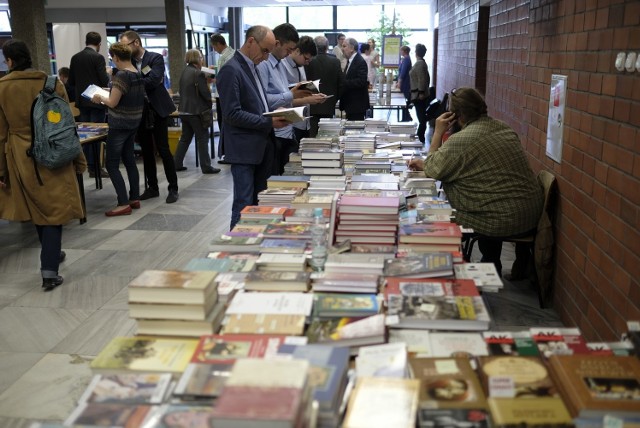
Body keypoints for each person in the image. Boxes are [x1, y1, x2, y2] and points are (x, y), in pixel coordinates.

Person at [409, 87, 543, 275]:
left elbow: (432, 169)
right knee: (485, 194)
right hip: (529, 213)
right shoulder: (503, 127)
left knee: (434, 215)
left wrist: (438, 132)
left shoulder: (461, 140)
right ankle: (492, 261)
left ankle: (460, 266)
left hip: (501, 218)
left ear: (455, 116)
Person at [0, 39, 86, 291]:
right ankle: (49, 269)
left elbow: (0, 134)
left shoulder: (1, 89)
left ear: (9, 61)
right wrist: (79, 160)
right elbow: (69, 126)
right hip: (54, 152)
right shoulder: (51, 83)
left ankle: (52, 254)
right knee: (54, 208)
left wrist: (1, 170)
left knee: (39, 205)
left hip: (20, 155)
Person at [216, 25, 289, 229]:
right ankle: (235, 252)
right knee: (243, 204)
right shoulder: (231, 69)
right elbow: (232, 114)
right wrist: (268, 121)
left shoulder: (252, 67)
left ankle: (253, 246)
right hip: (243, 149)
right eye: (265, 50)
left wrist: (275, 112)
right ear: (250, 42)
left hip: (261, 145)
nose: (266, 57)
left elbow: (257, 105)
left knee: (258, 203)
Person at [120, 30, 179, 204]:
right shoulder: (127, 61)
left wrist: (132, 82)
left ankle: (173, 188)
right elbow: (123, 80)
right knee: (146, 151)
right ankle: (152, 187)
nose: (124, 49)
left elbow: (154, 80)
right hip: (140, 111)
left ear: (136, 43)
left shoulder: (154, 58)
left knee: (163, 149)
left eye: (126, 45)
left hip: (158, 110)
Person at [90, 42, 144, 217]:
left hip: (119, 124)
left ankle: (122, 203)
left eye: (112, 58)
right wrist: (110, 91)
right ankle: (134, 197)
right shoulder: (137, 72)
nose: (112, 61)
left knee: (111, 164)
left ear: (116, 58)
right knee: (129, 160)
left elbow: (113, 102)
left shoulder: (121, 75)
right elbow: (124, 93)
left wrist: (100, 98)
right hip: (133, 122)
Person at [257, 24, 320, 175]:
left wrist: (295, 94)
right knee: (275, 177)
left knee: (287, 174)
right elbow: (263, 101)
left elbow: (284, 95)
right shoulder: (265, 65)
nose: (289, 54)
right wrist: (292, 95)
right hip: (275, 131)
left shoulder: (278, 64)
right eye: (289, 49)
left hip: (287, 129)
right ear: (277, 44)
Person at [68, 31, 110, 179]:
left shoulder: (75, 57)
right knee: (97, 135)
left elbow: (71, 81)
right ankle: (96, 168)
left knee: (85, 136)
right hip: (96, 101)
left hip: (82, 102)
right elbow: (104, 80)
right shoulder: (98, 57)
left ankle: (85, 165)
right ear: (99, 44)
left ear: (86, 42)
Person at [173, 49, 220, 175]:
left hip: (184, 110)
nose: (202, 59)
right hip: (196, 111)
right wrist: (209, 103)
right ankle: (206, 166)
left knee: (185, 138)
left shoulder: (185, 72)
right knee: (203, 138)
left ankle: (176, 163)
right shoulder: (198, 73)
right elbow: (204, 93)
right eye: (201, 57)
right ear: (197, 58)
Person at [283, 35, 325, 142]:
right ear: (297, 51)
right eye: (306, 58)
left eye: (310, 60)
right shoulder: (282, 66)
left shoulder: (300, 66)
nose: (307, 62)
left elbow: (301, 93)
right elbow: (284, 101)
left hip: (304, 122)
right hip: (291, 125)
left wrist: (313, 96)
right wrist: (308, 100)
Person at [305, 36, 343, 138]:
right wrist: (334, 99)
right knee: (327, 136)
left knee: (312, 137)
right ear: (326, 47)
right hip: (328, 104)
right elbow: (341, 83)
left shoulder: (307, 62)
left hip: (311, 105)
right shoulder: (335, 62)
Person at [209, 33, 235, 164]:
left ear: (219, 44)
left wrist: (214, 79)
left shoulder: (226, 56)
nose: (214, 49)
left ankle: (228, 154)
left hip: (223, 96)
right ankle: (228, 152)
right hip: (225, 94)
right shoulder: (230, 53)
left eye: (214, 46)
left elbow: (224, 76)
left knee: (224, 124)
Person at [339, 37, 369, 121]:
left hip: (357, 105)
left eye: (344, 46)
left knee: (355, 130)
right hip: (351, 104)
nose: (342, 49)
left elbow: (361, 81)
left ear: (352, 48)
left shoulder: (360, 61)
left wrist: (343, 83)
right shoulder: (350, 61)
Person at [409, 43, 431, 143]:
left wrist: (421, 92)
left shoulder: (420, 64)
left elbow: (422, 79)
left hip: (419, 95)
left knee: (421, 117)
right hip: (419, 94)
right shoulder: (422, 63)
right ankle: (420, 136)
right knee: (421, 116)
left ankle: (420, 137)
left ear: (416, 52)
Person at [396, 45, 412, 122]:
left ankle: (406, 116)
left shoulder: (406, 59)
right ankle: (406, 115)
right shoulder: (405, 59)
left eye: (401, 50)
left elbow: (403, 72)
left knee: (404, 100)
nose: (400, 52)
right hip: (404, 82)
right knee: (403, 100)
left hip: (405, 83)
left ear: (404, 51)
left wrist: (399, 81)